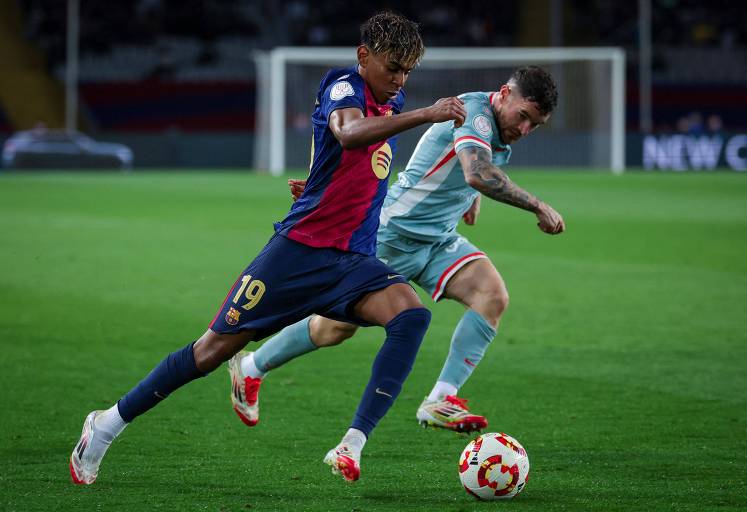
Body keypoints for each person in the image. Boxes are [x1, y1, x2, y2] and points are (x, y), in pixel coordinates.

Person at [69, 11, 466, 485]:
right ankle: (106, 424)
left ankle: (352, 443)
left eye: (406, 71)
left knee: (411, 315)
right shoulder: (344, 84)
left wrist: (319, 184)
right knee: (211, 352)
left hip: (351, 259)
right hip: (297, 254)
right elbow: (346, 132)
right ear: (364, 57)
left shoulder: (391, 97)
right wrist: (426, 114)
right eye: (391, 68)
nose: (399, 79)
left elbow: (341, 154)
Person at [232, 66, 564, 436]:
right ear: (504, 93)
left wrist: (467, 199)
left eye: (534, 124)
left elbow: (467, 173)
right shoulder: (475, 114)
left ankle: (440, 399)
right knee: (335, 328)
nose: (525, 130)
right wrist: (537, 205)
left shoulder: (498, 129)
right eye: (523, 117)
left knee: (492, 295)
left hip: (437, 239)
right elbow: (476, 172)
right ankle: (251, 367)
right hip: (392, 234)